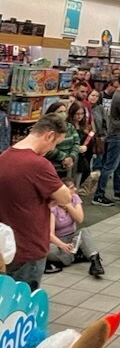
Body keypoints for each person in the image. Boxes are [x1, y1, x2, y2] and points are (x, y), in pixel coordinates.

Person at [0, 114, 72, 288]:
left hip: (6, 247)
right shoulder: (38, 164)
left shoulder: (3, 157)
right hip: (29, 247)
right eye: (55, 143)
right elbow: (65, 197)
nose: (52, 149)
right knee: (23, 306)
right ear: (49, 136)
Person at [93, 70, 120, 207]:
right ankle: (99, 195)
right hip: (118, 136)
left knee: (119, 165)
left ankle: (118, 191)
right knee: (110, 166)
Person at [47, 177, 104, 276]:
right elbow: (49, 235)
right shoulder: (53, 206)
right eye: (72, 187)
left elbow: (80, 219)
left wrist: (68, 205)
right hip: (57, 242)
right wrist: (61, 245)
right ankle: (77, 255)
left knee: (84, 232)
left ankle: (95, 261)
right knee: (49, 250)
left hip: (72, 237)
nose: (75, 189)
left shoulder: (75, 198)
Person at [43, 102, 80, 179]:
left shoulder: (70, 127)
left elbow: (76, 142)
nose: (63, 114)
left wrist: (71, 157)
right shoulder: (47, 128)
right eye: (60, 112)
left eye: (64, 111)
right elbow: (46, 147)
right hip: (51, 168)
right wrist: (64, 157)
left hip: (67, 167)